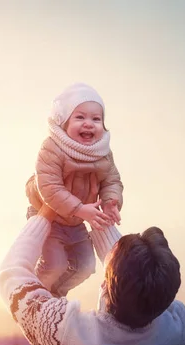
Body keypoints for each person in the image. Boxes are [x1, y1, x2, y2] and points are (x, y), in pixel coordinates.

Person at [0, 176, 185, 345]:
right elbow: (141, 283)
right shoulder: (177, 332)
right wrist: (91, 210)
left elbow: (11, 273)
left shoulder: (66, 336)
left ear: (104, 285)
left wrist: (47, 210)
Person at [25, 82, 124, 298]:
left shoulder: (103, 153)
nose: (89, 124)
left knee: (86, 266)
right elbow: (49, 188)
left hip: (76, 219)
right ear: (64, 122)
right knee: (55, 264)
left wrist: (111, 202)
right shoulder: (52, 148)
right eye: (80, 117)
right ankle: (35, 299)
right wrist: (80, 209)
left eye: (96, 119)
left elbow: (112, 180)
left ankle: (55, 294)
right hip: (49, 214)